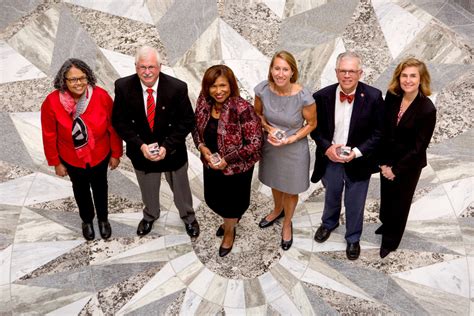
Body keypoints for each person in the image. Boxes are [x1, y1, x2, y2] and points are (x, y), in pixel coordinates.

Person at [112, 46, 200, 238]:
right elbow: (119, 121)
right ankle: (150, 214)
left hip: (172, 150)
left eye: (151, 67)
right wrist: (140, 145)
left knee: (181, 189)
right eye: (142, 67)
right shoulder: (123, 87)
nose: (147, 72)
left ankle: (188, 217)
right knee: (148, 190)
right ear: (136, 67)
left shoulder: (177, 88)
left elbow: (187, 121)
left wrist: (167, 147)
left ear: (160, 66)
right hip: (141, 150)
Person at [311, 51, 384, 260]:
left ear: (360, 73)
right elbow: (315, 129)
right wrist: (327, 148)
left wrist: (357, 152)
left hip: (359, 160)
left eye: (351, 71)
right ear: (336, 72)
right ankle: (329, 223)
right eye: (343, 70)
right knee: (332, 193)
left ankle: (353, 238)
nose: (347, 75)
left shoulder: (373, 96)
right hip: (331, 158)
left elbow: (379, 132)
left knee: (355, 201)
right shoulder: (322, 96)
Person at [41, 58, 123, 241]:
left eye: (82, 78)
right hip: (71, 158)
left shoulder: (101, 96)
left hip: (99, 155)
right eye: (72, 79)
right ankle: (87, 220)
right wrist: (56, 162)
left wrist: (116, 153)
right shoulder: (52, 102)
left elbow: (113, 127)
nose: (78, 83)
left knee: (101, 188)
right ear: (64, 81)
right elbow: (49, 134)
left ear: (88, 78)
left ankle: (103, 220)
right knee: (80, 190)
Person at [192, 65, 263, 257]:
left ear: (231, 85)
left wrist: (227, 160)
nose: (218, 91)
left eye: (222, 85)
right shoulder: (204, 102)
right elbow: (195, 128)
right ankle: (230, 220)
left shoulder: (242, 109)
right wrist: (202, 147)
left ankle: (229, 230)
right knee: (213, 199)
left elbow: (255, 143)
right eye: (213, 86)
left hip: (237, 171)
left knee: (232, 205)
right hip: (211, 164)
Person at [254, 51, 317, 251]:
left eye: (285, 69)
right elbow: (257, 114)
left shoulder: (303, 96)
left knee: (290, 188)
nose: (280, 74)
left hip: (294, 149)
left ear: (292, 72)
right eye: (277, 68)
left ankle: (287, 222)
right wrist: (269, 129)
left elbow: (312, 123)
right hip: (272, 145)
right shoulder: (262, 90)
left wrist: (292, 138)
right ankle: (277, 209)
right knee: (275, 181)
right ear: (271, 70)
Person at [377, 58, 436, 258]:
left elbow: (419, 148)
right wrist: (383, 162)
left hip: (408, 165)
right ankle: (385, 225)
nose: (408, 80)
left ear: (421, 80)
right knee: (386, 196)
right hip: (388, 159)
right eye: (404, 75)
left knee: (400, 203)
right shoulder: (392, 96)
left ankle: (391, 241)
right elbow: (385, 129)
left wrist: (395, 169)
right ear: (398, 77)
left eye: (413, 76)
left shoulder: (427, 109)